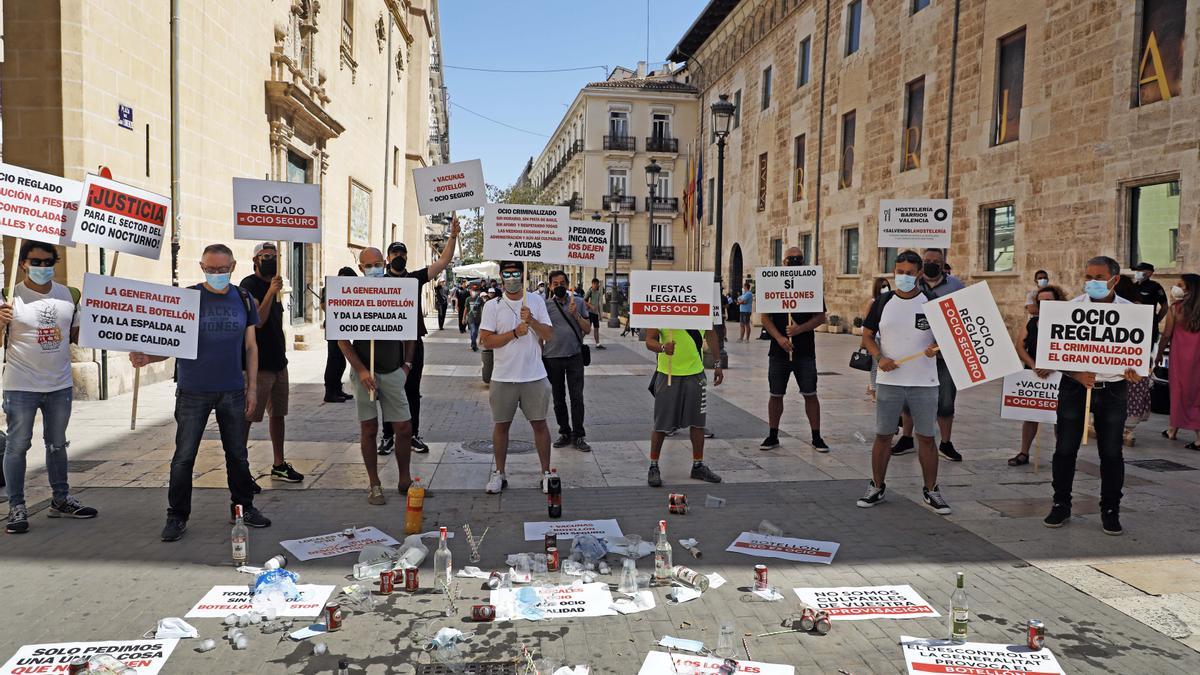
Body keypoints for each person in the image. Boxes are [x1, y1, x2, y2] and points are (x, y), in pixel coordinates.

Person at [132, 243, 270, 542]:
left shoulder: (244, 299)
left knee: (237, 455)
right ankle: (177, 515)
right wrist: (147, 357)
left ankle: (244, 507)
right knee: (184, 457)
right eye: (210, 269)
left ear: (233, 267)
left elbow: (251, 347)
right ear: (202, 267)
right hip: (192, 391)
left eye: (222, 269)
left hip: (232, 389)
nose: (216, 274)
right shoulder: (188, 298)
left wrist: (253, 388)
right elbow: (170, 343)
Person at [1, 241, 97, 534]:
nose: (42, 267)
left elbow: (79, 337)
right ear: (23, 264)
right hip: (21, 385)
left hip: (59, 385)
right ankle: (17, 506)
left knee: (57, 444)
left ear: (55, 263)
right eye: (36, 261)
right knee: (17, 446)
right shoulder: (10, 297)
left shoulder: (68, 295)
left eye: (47, 262)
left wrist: (101, 315)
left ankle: (61, 498)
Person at [1044, 256, 1143, 536]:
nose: (1091, 283)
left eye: (1098, 278)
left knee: (1111, 452)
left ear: (1114, 280)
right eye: (1088, 277)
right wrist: (1075, 374)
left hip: (1113, 389)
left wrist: (1135, 372)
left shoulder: (1132, 312)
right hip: (1074, 388)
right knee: (1065, 449)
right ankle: (1060, 504)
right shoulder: (1069, 309)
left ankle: (1110, 509)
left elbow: (1139, 355)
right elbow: (1055, 351)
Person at [857, 250, 951, 515]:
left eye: (909, 273)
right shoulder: (883, 302)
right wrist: (879, 357)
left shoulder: (932, 302)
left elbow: (947, 338)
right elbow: (867, 335)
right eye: (900, 272)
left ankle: (931, 490)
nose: (904, 278)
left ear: (919, 273)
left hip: (924, 382)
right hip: (890, 382)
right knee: (883, 435)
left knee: (927, 438)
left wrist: (937, 346)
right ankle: (876, 486)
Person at [339, 247, 416, 505]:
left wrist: (406, 365)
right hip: (365, 374)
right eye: (367, 264)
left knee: (404, 427)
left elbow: (410, 331)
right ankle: (374, 483)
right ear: (360, 268)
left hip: (393, 371)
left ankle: (404, 479)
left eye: (377, 263)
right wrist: (361, 369)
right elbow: (342, 339)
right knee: (369, 428)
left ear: (385, 263)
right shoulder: (350, 293)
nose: (373, 267)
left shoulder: (399, 290)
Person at [377, 217, 459, 456]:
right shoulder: (378, 282)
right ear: (388, 258)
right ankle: (388, 435)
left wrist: (452, 236)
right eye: (395, 253)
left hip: (413, 342)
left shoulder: (414, 278)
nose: (398, 256)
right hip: (387, 343)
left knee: (412, 389)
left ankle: (412, 434)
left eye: (402, 253)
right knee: (388, 390)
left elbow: (443, 262)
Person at [478, 260, 556, 494]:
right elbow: (486, 340)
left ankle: (545, 473)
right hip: (503, 377)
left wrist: (531, 321)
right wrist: (513, 333)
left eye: (516, 273)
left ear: (523, 275)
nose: (512, 278)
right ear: (501, 276)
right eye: (507, 273)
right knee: (501, 426)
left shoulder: (536, 301)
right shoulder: (492, 306)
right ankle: (499, 473)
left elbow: (550, 335)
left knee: (540, 425)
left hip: (534, 376)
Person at [892, 248, 965, 461]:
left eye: (937, 261)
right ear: (921, 265)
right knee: (908, 400)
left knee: (945, 401)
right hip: (914, 356)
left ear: (943, 264)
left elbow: (963, 318)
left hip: (945, 356)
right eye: (928, 261)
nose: (932, 264)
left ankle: (946, 442)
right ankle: (906, 438)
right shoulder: (911, 285)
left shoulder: (957, 287)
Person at [239, 243, 303, 484]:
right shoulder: (248, 286)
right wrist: (269, 292)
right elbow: (258, 322)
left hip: (278, 362)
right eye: (266, 256)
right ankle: (240, 466)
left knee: (278, 415)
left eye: (274, 256)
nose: (270, 260)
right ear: (255, 259)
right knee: (247, 417)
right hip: (258, 365)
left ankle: (279, 463)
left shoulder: (277, 285)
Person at [760, 247, 829, 452]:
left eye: (798, 258)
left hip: (805, 350)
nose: (795, 261)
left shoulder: (811, 285)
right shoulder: (773, 284)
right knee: (776, 394)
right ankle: (773, 435)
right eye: (791, 259)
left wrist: (799, 329)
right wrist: (780, 338)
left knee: (810, 393)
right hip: (778, 351)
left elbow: (820, 317)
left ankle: (816, 437)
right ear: (784, 261)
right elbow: (765, 318)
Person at [644, 325, 724, 487]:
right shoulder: (661, 309)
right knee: (661, 424)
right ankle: (654, 466)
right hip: (668, 373)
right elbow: (649, 340)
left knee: (698, 423)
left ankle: (698, 465)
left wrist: (717, 364)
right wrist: (663, 347)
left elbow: (711, 334)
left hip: (695, 373)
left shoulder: (700, 308)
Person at [1009, 284, 1067, 466]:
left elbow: (1071, 349)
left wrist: (1052, 366)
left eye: (1049, 301)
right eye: (1041, 302)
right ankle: (1024, 452)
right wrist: (1034, 365)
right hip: (1034, 373)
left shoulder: (1067, 322)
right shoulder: (1032, 322)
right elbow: (1020, 346)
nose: (1045, 305)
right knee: (1031, 415)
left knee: (1060, 417)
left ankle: (1062, 455)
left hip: (1059, 374)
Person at [543, 270, 592, 452]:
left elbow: (587, 329)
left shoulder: (577, 302)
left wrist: (576, 316)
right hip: (552, 358)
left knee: (577, 397)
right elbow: (540, 332)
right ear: (550, 286)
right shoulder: (545, 306)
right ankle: (564, 432)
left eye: (562, 283)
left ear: (568, 284)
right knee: (558, 399)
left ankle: (579, 435)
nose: (559, 286)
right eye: (555, 284)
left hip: (575, 357)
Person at [1156, 274, 1200, 448]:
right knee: (1197, 394)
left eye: (1180, 284)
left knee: (1179, 391)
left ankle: (1180, 432)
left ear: (1190, 289)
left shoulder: (1176, 309)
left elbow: (1166, 334)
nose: (1176, 287)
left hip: (1181, 358)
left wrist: (1159, 354)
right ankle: (1173, 429)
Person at [1114, 275, 1151, 446]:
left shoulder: (1126, 307)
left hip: (1119, 357)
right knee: (1133, 393)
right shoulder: (1139, 307)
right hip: (1135, 357)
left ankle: (1120, 428)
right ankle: (1128, 430)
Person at [322, 267, 357, 402]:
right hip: (333, 326)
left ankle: (337, 388)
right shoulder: (331, 287)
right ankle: (329, 392)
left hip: (343, 327)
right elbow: (325, 306)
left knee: (340, 361)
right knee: (334, 359)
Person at [862, 277, 891, 401]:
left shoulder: (889, 301)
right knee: (875, 366)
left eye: (887, 285)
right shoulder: (873, 301)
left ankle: (873, 387)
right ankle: (874, 392)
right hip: (875, 338)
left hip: (885, 337)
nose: (886, 288)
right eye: (883, 286)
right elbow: (866, 321)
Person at [1133, 262, 1169, 346]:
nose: (1137, 272)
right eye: (1137, 270)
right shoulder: (1133, 286)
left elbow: (1165, 306)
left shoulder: (1155, 287)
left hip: (1149, 326)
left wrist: (1156, 320)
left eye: (1140, 270)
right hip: (1134, 324)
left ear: (1149, 273)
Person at [584, 278, 606, 350]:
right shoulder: (589, 292)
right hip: (589, 313)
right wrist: (590, 306)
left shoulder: (598, 292)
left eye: (597, 284)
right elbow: (583, 301)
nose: (597, 285)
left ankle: (598, 344)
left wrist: (600, 314)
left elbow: (598, 304)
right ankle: (579, 341)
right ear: (592, 284)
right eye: (595, 284)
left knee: (596, 329)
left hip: (595, 314)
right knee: (587, 329)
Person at [466, 282, 485, 352]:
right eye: (473, 290)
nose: (474, 292)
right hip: (471, 318)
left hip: (478, 319)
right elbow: (465, 309)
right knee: (473, 331)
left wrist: (484, 317)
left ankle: (473, 344)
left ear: (478, 291)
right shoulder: (468, 299)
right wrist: (463, 318)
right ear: (470, 291)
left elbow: (483, 308)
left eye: (476, 290)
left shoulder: (480, 299)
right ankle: (474, 345)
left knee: (475, 333)